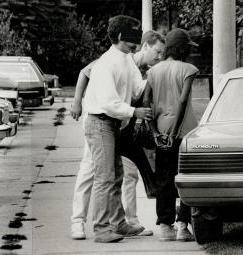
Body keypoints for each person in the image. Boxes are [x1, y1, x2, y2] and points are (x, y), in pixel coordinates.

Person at [70, 25, 165, 242]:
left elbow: (137, 89)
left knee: (117, 175)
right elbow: (108, 102)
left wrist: (155, 76)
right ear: (121, 36)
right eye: (133, 36)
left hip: (114, 125)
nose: (137, 41)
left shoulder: (125, 59)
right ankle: (100, 228)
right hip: (100, 122)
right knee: (102, 177)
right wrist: (135, 111)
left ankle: (119, 223)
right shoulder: (107, 61)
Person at [143, 28, 199, 242]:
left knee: (164, 179)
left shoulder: (154, 71)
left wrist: (155, 131)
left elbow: (146, 101)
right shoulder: (189, 69)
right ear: (182, 48)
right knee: (185, 178)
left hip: (161, 130)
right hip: (184, 131)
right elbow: (183, 101)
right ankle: (184, 226)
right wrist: (176, 132)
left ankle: (166, 227)